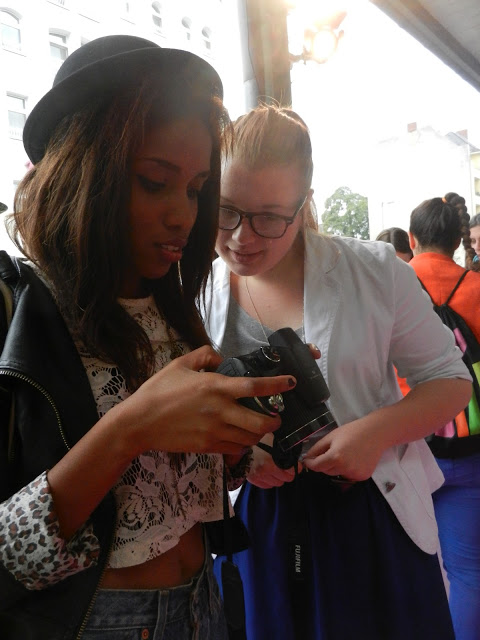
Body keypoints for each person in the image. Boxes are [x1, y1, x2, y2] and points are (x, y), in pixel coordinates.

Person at [0, 36, 296, 640]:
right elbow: (8, 556)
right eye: (154, 181)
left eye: (195, 188)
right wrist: (130, 429)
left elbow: (174, 492)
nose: (183, 215)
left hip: (206, 601)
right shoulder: (18, 310)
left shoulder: (173, 308)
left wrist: (237, 437)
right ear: (83, 173)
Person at [202, 104, 472, 640]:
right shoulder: (200, 290)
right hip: (260, 517)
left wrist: (373, 433)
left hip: (368, 507)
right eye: (225, 210)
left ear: (304, 203)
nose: (241, 238)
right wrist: (241, 454)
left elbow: (451, 380)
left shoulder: (373, 270)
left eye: (269, 217)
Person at [408, 192, 480, 640]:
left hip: (403, 447)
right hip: (469, 446)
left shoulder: (389, 288)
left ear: (411, 238)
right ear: (457, 241)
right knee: (468, 572)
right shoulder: (476, 288)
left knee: (406, 567)